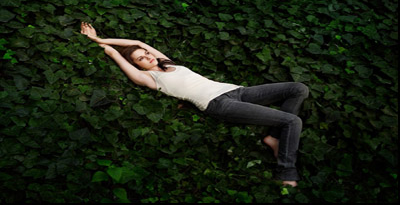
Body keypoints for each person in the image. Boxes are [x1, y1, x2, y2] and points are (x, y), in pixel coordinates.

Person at [80, 22, 309, 187]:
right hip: (217, 104)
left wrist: (111, 39)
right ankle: (286, 171)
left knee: (298, 88)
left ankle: (273, 137)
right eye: (141, 58)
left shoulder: (169, 64)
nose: (148, 56)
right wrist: (102, 44)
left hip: (237, 91)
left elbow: (139, 42)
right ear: (137, 66)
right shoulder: (149, 78)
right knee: (292, 120)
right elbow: (117, 56)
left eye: (147, 53)